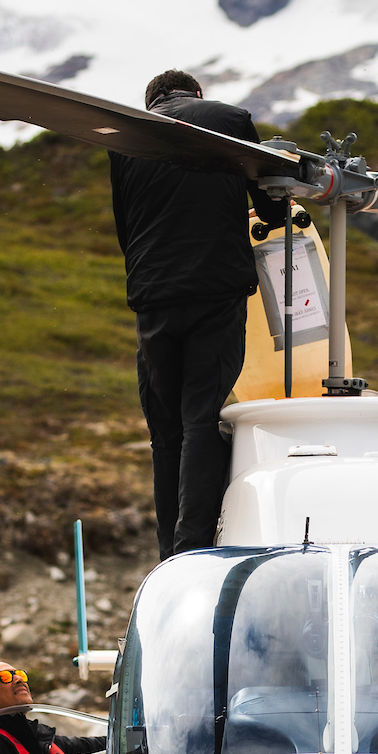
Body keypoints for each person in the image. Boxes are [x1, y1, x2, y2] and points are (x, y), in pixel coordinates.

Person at [108, 68, 292, 558]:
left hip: (153, 297)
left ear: (153, 103)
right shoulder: (230, 121)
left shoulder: (126, 137)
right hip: (216, 289)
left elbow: (126, 229)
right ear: (196, 94)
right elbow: (273, 204)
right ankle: (194, 548)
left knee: (164, 432)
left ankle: (170, 554)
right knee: (200, 420)